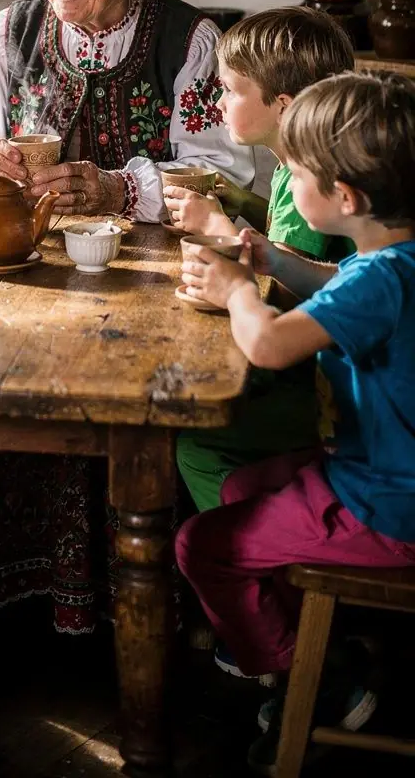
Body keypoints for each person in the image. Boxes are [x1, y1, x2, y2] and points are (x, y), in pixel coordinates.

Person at [0, 0, 253, 631]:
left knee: (127, 418)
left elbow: (230, 175)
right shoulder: (12, 32)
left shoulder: (187, 39)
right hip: (22, 276)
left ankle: (131, 601)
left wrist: (118, 190)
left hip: (149, 287)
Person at [177, 72, 415, 772]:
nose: (289, 173)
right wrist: (272, 258)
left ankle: (310, 680)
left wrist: (238, 291)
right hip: (383, 474)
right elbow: (338, 287)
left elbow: (270, 343)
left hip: (389, 506)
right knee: (241, 489)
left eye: (297, 169)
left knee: (203, 546)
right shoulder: (394, 257)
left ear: (345, 198)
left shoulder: (379, 279)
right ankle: (314, 638)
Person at [163, 8, 355, 517]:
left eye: (231, 89)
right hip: (330, 372)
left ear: (284, 106)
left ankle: (257, 546)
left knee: (195, 442)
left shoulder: (307, 183)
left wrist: (219, 230)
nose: (221, 102)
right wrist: (233, 200)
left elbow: (287, 295)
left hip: (319, 390)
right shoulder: (316, 168)